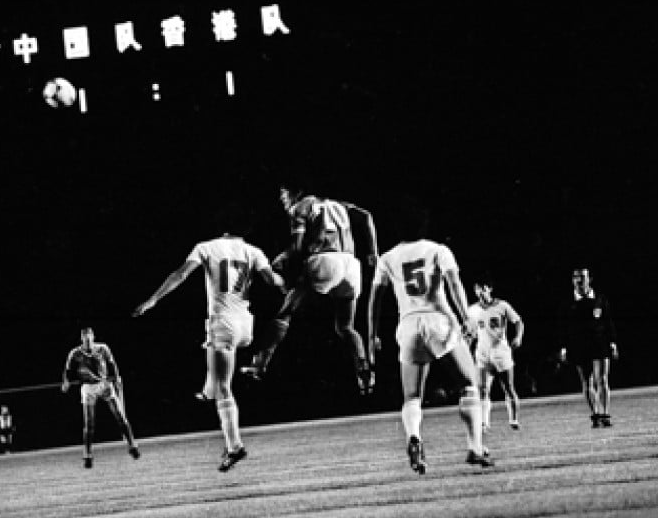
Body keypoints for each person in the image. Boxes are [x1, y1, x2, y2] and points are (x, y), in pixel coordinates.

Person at [133, 219, 285, 472]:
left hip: (222, 322)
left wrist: (152, 300)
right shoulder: (254, 251)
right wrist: (283, 280)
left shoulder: (206, 247)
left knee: (223, 387)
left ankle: (235, 446)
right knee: (215, 369)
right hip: (245, 323)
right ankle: (207, 392)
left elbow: (180, 274)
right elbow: (273, 281)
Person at [371, 205, 493, 473]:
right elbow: (454, 285)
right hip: (439, 321)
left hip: (408, 326)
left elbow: (375, 300)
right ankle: (475, 447)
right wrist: (466, 318)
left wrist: (372, 335)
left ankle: (414, 436)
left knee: (412, 395)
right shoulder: (437, 250)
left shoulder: (388, 258)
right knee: (469, 384)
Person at [242, 185, 378, 395]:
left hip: (324, 259)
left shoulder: (300, 207)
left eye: (283, 194)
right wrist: (373, 252)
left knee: (285, 314)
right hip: (351, 265)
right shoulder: (339, 205)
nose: (282, 200)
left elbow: (296, 248)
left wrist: (282, 258)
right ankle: (363, 367)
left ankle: (259, 365)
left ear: (296, 192)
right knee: (345, 326)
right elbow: (367, 216)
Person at [61, 327, 140, 468]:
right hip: (88, 387)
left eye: (89, 336)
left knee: (120, 416)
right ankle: (87, 455)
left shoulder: (103, 348)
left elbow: (112, 363)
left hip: (104, 384)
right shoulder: (75, 353)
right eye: (85, 337)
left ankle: (132, 446)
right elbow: (67, 370)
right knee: (89, 423)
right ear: (81, 338)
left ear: (93, 336)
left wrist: (116, 378)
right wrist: (66, 381)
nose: (87, 339)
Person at [559, 267, 618, 428]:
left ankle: (605, 414)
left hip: (599, 344)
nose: (579, 280)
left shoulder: (600, 299)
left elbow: (608, 322)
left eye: (582, 277)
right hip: (579, 346)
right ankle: (595, 414)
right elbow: (563, 327)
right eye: (575, 277)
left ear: (589, 279)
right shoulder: (568, 302)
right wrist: (563, 347)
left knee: (602, 379)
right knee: (587, 381)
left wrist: (612, 342)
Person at [467, 275, 525, 431]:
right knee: (482, 389)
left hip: (501, 352)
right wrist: (466, 344)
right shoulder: (472, 310)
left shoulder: (502, 305)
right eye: (477, 289)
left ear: (490, 289)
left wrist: (518, 337)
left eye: (483, 288)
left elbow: (518, 321)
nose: (480, 292)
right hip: (482, 354)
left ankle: (513, 419)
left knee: (508, 387)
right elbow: (470, 332)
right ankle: (484, 423)